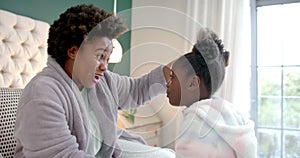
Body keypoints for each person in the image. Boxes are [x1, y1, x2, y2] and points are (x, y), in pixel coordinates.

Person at [14, 4, 174, 158]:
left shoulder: (102, 82)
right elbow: (63, 155)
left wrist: (172, 72)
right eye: (100, 56)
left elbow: (137, 89)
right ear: (73, 52)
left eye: (107, 58)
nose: (105, 67)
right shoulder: (42, 94)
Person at [165, 28, 257, 158]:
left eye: (172, 77)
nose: (167, 83)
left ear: (193, 83)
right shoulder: (230, 112)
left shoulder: (195, 122)